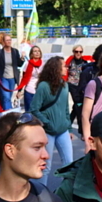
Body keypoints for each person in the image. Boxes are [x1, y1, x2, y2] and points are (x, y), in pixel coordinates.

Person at [29, 56, 73, 186]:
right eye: (64, 66)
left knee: (69, 164)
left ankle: (68, 193)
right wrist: (47, 123)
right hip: (48, 132)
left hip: (63, 131)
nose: (67, 68)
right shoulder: (43, 86)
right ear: (56, 68)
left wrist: (69, 128)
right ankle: (40, 194)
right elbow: (34, 109)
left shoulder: (65, 85)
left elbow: (66, 108)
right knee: (45, 166)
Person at [65, 45, 93, 137]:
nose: (78, 53)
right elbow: (65, 72)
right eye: (76, 51)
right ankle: (82, 131)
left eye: (80, 52)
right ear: (73, 52)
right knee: (78, 105)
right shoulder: (69, 62)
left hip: (82, 86)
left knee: (76, 107)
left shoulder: (85, 62)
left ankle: (67, 125)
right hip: (72, 85)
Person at [0, 33, 23, 111]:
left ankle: (4, 112)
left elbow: (19, 64)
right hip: (3, 78)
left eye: (10, 40)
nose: (9, 42)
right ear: (3, 42)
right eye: (7, 40)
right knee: (6, 97)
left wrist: (22, 59)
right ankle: (9, 114)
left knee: (8, 97)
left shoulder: (15, 52)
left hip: (12, 78)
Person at [17, 45, 44, 109]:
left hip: (40, 90)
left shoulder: (43, 64)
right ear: (31, 54)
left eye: (38, 51)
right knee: (29, 111)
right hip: (29, 90)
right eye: (35, 51)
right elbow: (24, 78)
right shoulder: (27, 64)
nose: (37, 53)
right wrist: (19, 90)